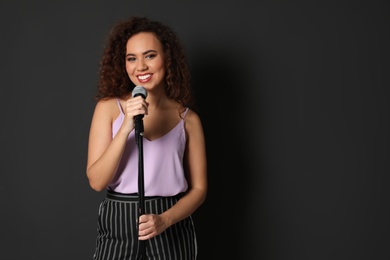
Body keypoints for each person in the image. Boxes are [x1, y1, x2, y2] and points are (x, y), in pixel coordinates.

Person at [86, 16, 207, 260]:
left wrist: (165, 219)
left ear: (167, 59)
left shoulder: (188, 120)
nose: (140, 66)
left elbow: (199, 188)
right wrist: (125, 129)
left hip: (171, 223)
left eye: (150, 55)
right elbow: (97, 182)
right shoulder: (108, 108)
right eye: (132, 58)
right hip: (119, 220)